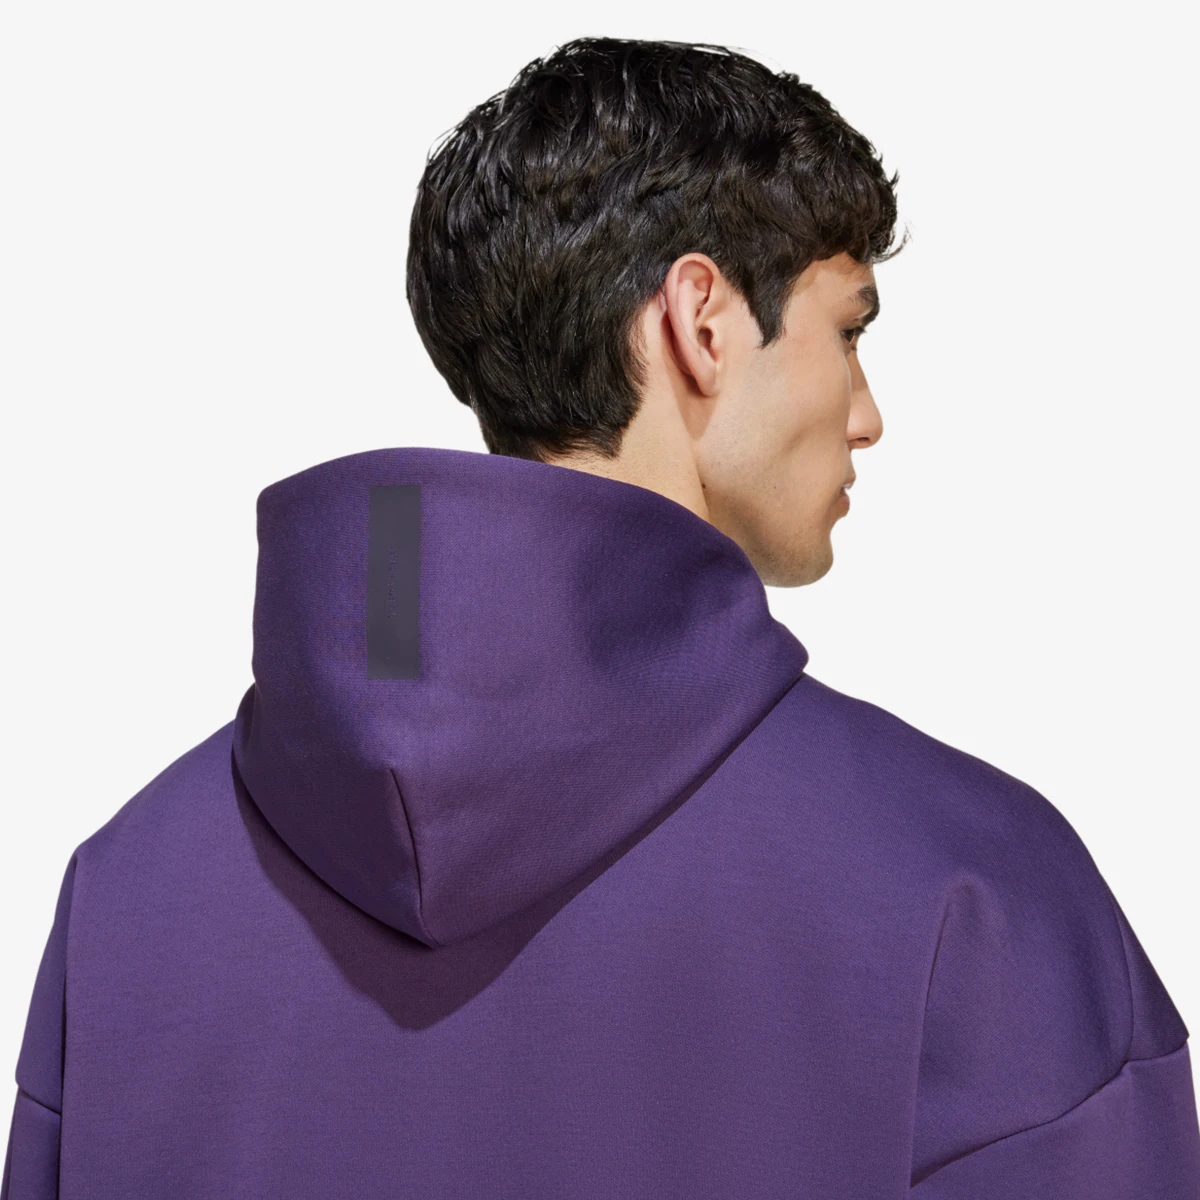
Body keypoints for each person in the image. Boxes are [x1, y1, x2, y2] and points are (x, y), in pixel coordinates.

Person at [3, 35, 1198, 1200]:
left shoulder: (126, 900)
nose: (867, 414)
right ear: (702, 319)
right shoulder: (974, 895)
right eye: (848, 331)